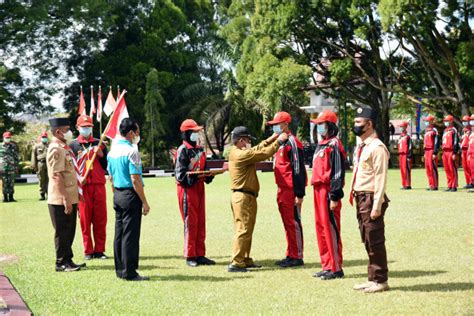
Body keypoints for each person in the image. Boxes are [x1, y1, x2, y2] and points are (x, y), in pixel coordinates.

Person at [227, 126, 288, 272]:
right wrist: (278, 142)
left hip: (246, 196)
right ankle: (237, 262)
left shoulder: (239, 152)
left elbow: (256, 149)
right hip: (243, 196)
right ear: (241, 140)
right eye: (247, 140)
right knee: (243, 229)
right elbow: (262, 153)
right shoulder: (240, 154)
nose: (249, 143)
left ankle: (245, 258)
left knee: (247, 229)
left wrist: (271, 138)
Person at [350, 107, 390, 293]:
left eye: (359, 122)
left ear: (369, 124)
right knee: (367, 239)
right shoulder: (362, 146)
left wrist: (377, 205)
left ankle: (381, 280)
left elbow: (381, 178)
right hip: (361, 197)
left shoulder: (377, 147)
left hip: (371, 197)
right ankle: (372, 278)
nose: (355, 125)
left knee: (375, 240)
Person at [107, 118, 150, 281]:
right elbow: (135, 179)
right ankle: (130, 272)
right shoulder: (132, 152)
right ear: (131, 133)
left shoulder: (112, 152)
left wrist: (115, 194)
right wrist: (144, 201)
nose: (138, 135)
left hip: (117, 194)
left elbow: (110, 178)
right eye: (137, 132)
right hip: (130, 195)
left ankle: (120, 269)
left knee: (119, 233)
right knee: (130, 235)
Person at [267, 111, 307, 268]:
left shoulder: (292, 142)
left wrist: (299, 193)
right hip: (282, 189)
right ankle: (290, 253)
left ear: (285, 124)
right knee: (287, 222)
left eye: (277, 124)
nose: (274, 127)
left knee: (293, 222)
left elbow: (298, 169)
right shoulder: (280, 142)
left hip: (291, 189)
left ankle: (297, 255)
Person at [310, 110, 346, 280]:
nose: (318, 127)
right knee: (320, 227)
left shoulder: (334, 144)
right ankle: (326, 265)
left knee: (330, 228)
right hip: (317, 189)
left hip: (328, 189)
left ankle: (336, 267)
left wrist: (334, 195)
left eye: (321, 124)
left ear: (330, 125)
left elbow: (338, 172)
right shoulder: (321, 144)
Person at [175, 119, 215, 267]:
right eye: (194, 132)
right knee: (190, 222)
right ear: (187, 134)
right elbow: (180, 175)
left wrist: (208, 176)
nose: (197, 134)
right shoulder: (182, 150)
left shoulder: (200, 150)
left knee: (200, 221)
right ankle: (190, 255)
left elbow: (205, 168)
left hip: (199, 188)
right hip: (187, 190)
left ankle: (200, 253)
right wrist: (197, 176)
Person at [46, 118, 85, 272]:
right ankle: (61, 262)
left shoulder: (65, 147)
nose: (70, 132)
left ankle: (68, 260)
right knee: (62, 231)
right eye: (67, 129)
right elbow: (56, 176)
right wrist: (64, 198)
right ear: (58, 132)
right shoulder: (55, 149)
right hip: (60, 198)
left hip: (70, 196)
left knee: (70, 230)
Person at [70, 115, 108, 260]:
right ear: (78, 128)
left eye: (89, 127)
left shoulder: (100, 143)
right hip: (83, 187)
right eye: (84, 127)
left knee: (100, 219)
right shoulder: (73, 145)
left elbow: (107, 166)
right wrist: (78, 180)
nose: (86, 129)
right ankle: (88, 251)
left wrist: (101, 155)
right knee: (85, 220)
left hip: (98, 186)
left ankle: (99, 250)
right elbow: (71, 167)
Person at [441, 115, 460, 192]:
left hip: (451, 151)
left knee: (452, 168)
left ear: (451, 121)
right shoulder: (445, 130)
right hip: (445, 151)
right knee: (447, 169)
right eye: (445, 121)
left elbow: (455, 141)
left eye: (447, 121)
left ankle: (454, 186)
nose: (445, 122)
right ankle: (449, 185)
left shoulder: (453, 130)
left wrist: (454, 152)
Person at [0, 131, 20, 202]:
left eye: (9, 138)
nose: (8, 139)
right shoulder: (0, 146)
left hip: (12, 167)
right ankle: (5, 197)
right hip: (2, 168)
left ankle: (11, 197)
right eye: (6, 138)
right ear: (3, 138)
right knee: (4, 182)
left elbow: (16, 157)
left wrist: (17, 166)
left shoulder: (13, 146)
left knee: (11, 182)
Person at [422, 115, 439, 191]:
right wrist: (424, 152)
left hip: (431, 150)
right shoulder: (426, 131)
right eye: (425, 121)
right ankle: (431, 184)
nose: (426, 122)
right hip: (427, 151)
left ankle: (435, 185)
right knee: (428, 169)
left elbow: (436, 142)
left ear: (431, 121)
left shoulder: (434, 131)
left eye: (427, 121)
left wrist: (435, 153)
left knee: (432, 168)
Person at [31, 132, 50, 200]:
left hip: (49, 164)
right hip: (40, 164)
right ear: (41, 138)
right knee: (41, 179)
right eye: (43, 137)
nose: (44, 138)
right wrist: (34, 167)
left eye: (45, 137)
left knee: (49, 179)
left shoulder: (50, 145)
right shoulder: (36, 146)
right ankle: (42, 194)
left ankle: (49, 194)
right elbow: (33, 157)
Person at [398, 121, 412, 190]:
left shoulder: (408, 136)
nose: (400, 128)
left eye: (401, 126)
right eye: (400, 126)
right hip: (401, 154)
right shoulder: (400, 136)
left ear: (405, 127)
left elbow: (410, 146)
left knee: (406, 170)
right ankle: (403, 184)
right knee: (402, 170)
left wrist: (409, 156)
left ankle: (407, 184)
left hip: (406, 154)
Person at [460, 115, 472, 189]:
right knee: (465, 167)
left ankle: (472, 181)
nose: (464, 122)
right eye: (463, 121)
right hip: (463, 150)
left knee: (470, 166)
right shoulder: (463, 130)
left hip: (469, 149)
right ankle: (467, 182)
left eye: (465, 121)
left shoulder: (471, 130)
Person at [467, 114, 474, 193]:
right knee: (472, 170)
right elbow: (469, 145)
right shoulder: (471, 134)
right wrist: (468, 154)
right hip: (471, 155)